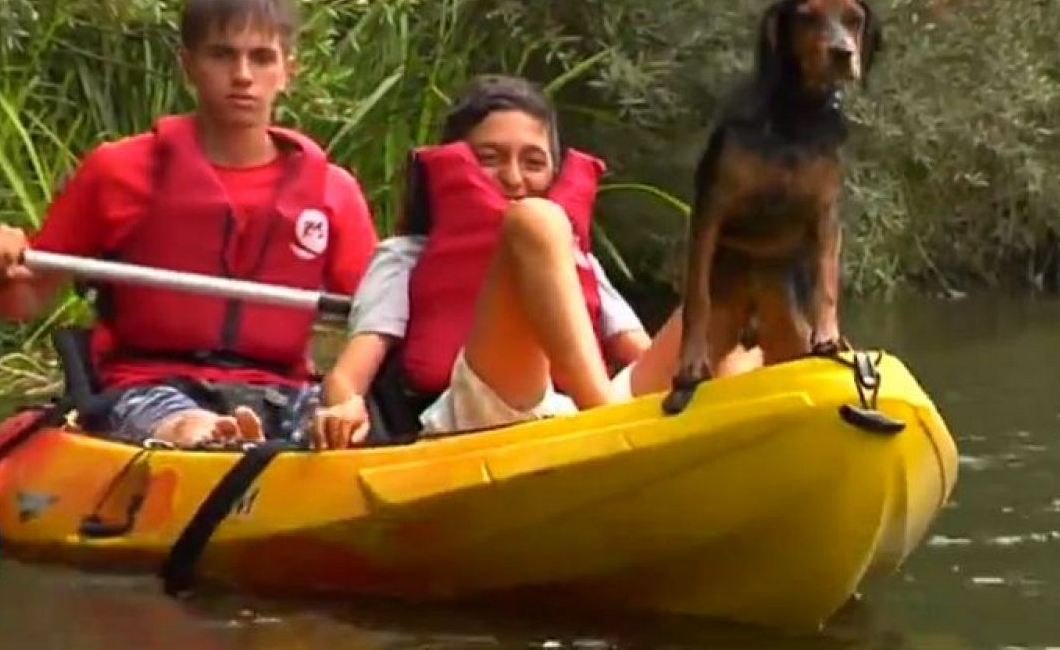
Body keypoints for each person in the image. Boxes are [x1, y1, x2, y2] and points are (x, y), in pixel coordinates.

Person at [0, 0, 379, 447]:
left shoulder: (333, 191)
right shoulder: (117, 170)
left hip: (284, 393)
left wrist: (346, 397)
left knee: (345, 430)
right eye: (221, 55)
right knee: (189, 426)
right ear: (188, 66)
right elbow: (20, 303)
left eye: (262, 58)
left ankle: (249, 444)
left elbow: (377, 321)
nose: (243, 75)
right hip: (145, 386)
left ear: (288, 71)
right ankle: (211, 438)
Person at [311, 75, 761, 449]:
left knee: (740, 254)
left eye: (533, 162)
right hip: (480, 418)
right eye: (489, 158)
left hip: (576, 416)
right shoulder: (406, 255)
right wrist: (343, 407)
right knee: (535, 220)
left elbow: (644, 357)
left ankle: (744, 429)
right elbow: (347, 377)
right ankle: (607, 421)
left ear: (554, 171)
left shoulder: (579, 261)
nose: (513, 178)